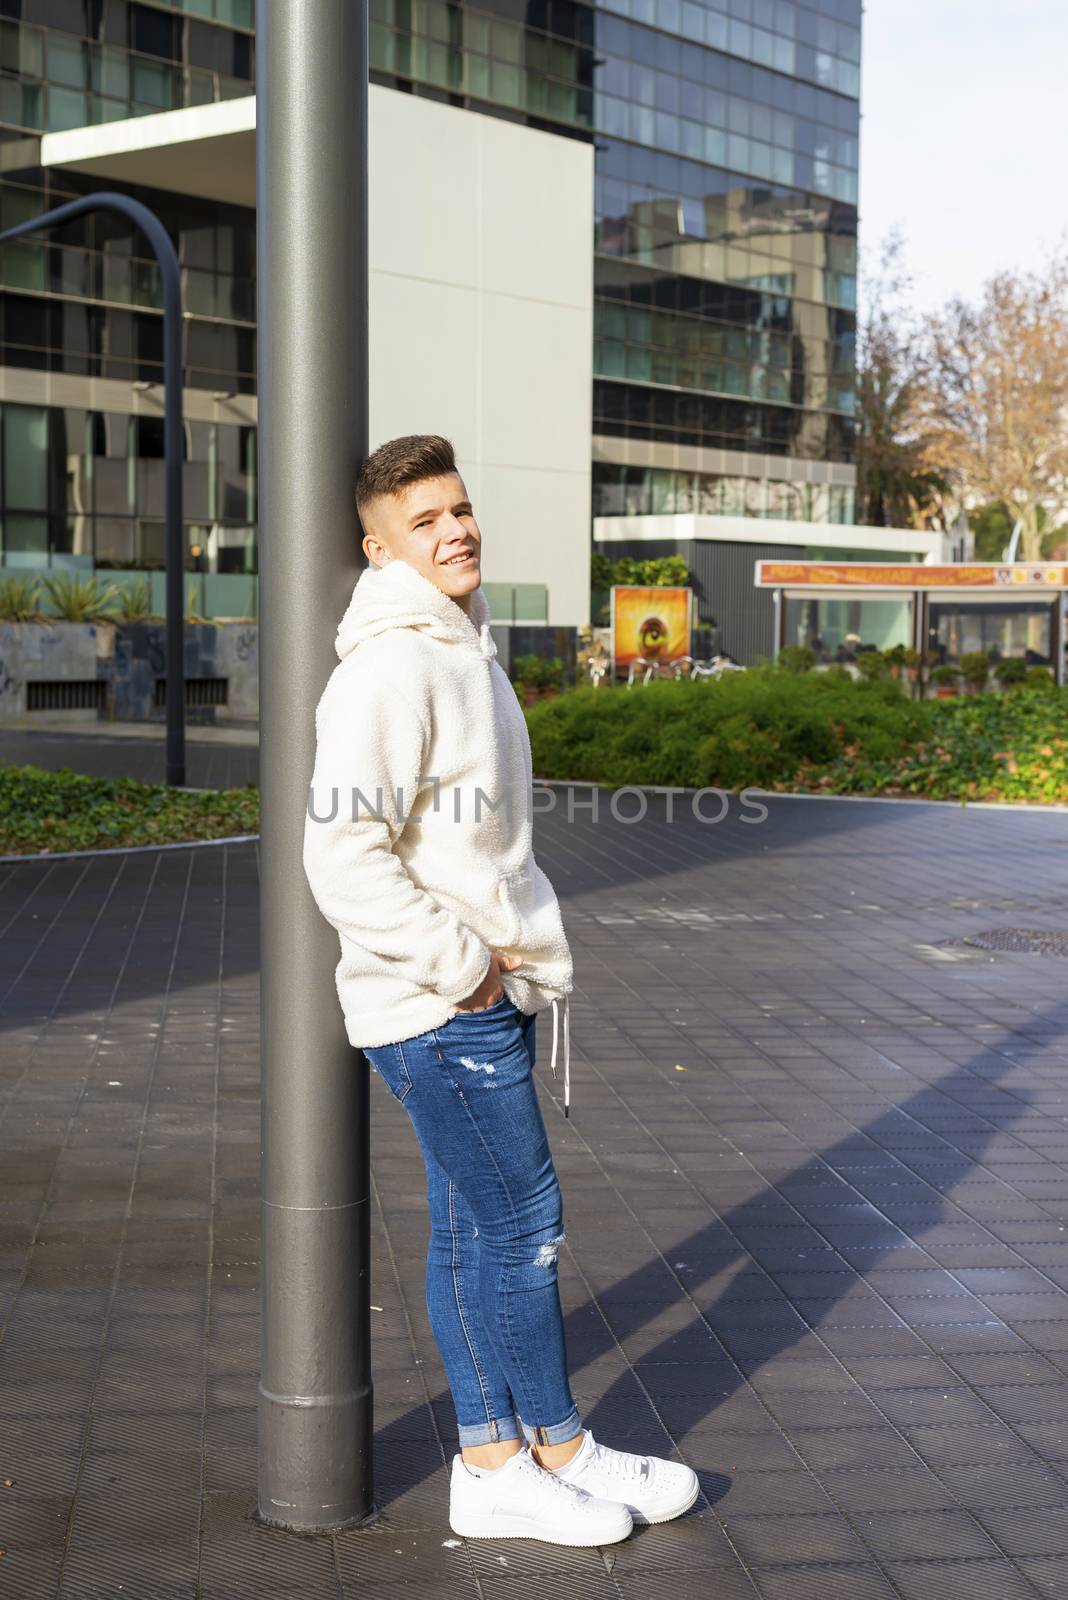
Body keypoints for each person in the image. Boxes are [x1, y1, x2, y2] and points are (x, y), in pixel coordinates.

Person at [303, 435, 699, 1546]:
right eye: (425, 520)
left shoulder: (455, 646)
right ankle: (542, 1451)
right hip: (442, 1007)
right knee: (522, 1224)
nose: (457, 530)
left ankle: (505, 1458)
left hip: (472, 999)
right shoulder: (392, 665)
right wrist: (466, 967)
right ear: (378, 546)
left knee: (473, 1229)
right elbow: (340, 854)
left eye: (462, 509)